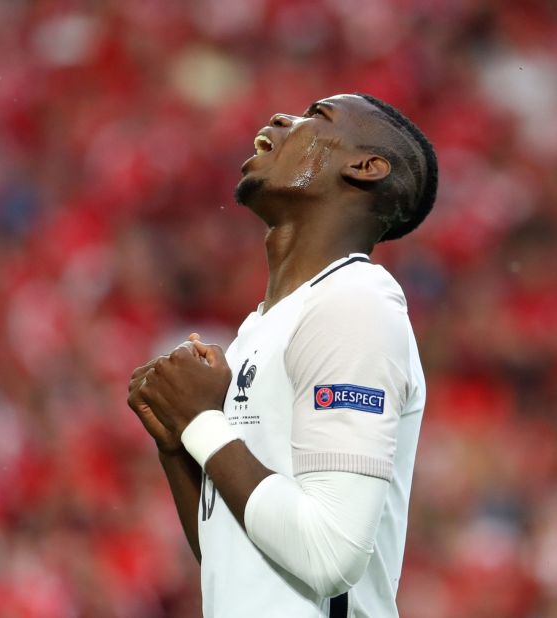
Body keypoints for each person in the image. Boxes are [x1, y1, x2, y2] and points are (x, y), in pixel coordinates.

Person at [127, 93, 438, 617]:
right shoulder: (262, 327)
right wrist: (179, 443)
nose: (279, 118)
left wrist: (203, 423)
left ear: (366, 167)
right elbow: (240, 562)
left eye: (317, 116)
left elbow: (329, 555)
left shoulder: (354, 302)